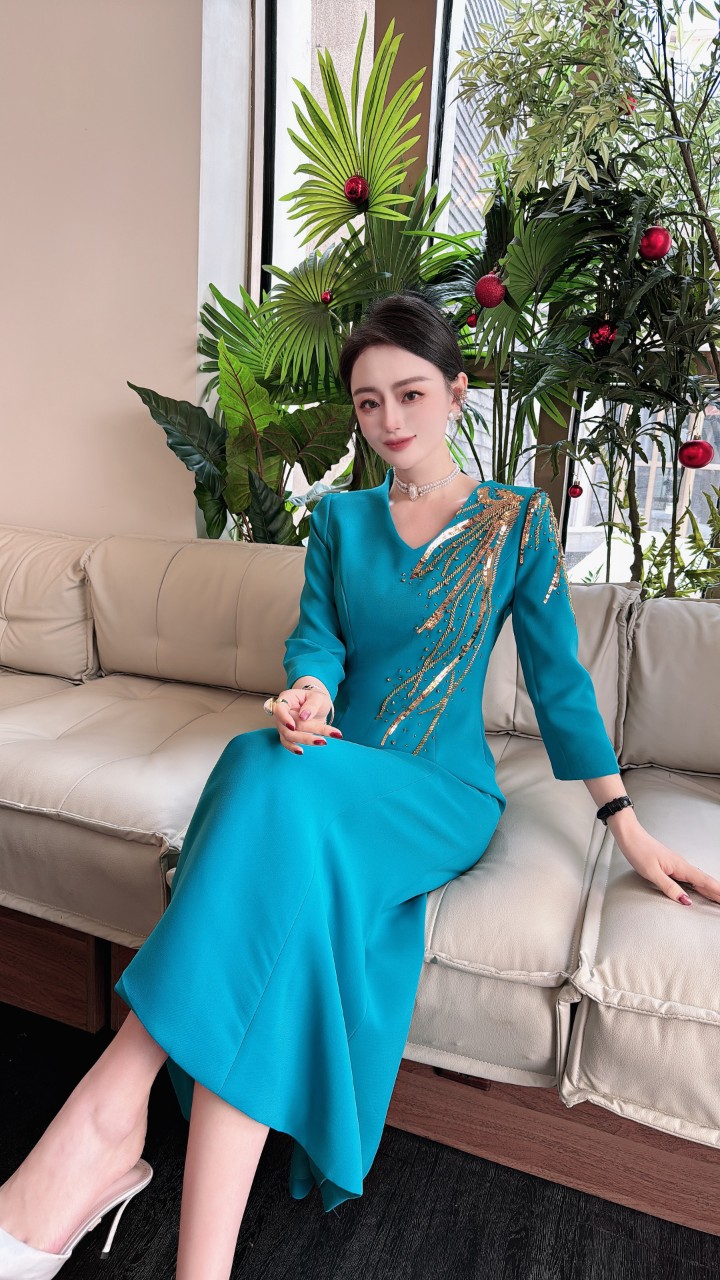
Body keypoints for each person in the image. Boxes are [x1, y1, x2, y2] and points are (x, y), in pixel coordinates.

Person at [1, 291, 718, 1280]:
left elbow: (560, 687)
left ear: (457, 392)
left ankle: (99, 1126)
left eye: (411, 393)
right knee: (266, 772)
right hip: (331, 765)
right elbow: (320, 642)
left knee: (263, 778)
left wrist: (626, 825)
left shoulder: (516, 521)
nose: (390, 419)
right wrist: (306, 691)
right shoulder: (340, 519)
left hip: (440, 793)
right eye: (369, 401)